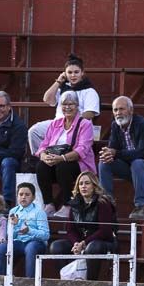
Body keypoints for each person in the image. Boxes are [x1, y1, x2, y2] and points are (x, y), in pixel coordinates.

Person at [97, 96, 144, 221]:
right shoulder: (115, 125)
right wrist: (108, 153)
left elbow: (143, 152)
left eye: (121, 109)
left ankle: (141, 206)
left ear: (131, 110)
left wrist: (116, 153)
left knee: (138, 163)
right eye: (115, 110)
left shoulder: (143, 124)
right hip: (129, 166)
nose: (118, 113)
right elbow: (113, 149)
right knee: (104, 162)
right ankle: (106, 203)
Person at [31, 90, 95, 218]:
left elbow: (82, 149)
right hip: (56, 160)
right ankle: (48, 204)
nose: (67, 107)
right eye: (64, 104)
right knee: (41, 166)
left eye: (71, 104)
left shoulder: (85, 124)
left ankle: (67, 205)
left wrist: (61, 158)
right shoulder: (55, 124)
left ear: (77, 106)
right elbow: (43, 145)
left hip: (78, 163)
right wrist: (44, 156)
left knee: (63, 166)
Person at [49, 171, 117, 281]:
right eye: (80, 184)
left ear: (94, 186)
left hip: (104, 243)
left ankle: (90, 283)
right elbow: (70, 230)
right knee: (56, 246)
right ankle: (68, 281)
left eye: (87, 183)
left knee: (92, 247)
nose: (83, 186)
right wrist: (76, 243)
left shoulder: (103, 202)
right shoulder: (74, 204)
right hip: (81, 242)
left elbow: (105, 231)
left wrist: (84, 243)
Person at [0, 182, 51, 277]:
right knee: (0, 248)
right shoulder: (13, 211)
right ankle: (1, 282)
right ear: (17, 196)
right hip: (19, 242)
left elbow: (45, 235)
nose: (23, 197)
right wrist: (15, 226)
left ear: (33, 197)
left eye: (27, 195)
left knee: (30, 248)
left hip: (36, 242)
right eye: (21, 194)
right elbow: (10, 235)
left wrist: (29, 231)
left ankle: (30, 282)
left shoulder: (40, 212)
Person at [40, 54, 100, 121]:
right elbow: (47, 99)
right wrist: (58, 81)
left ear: (82, 73)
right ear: (65, 74)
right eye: (69, 72)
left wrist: (70, 122)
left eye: (76, 72)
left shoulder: (89, 91)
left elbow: (90, 113)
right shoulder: (62, 89)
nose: (73, 75)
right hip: (57, 124)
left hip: (79, 125)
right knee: (34, 130)